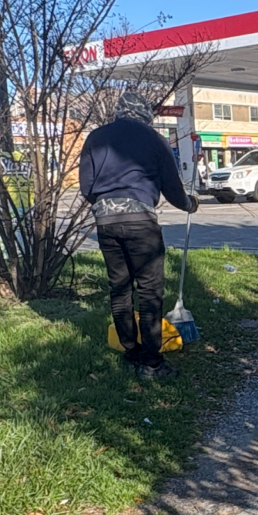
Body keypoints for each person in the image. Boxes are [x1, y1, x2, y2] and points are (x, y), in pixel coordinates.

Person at [79, 91, 199, 381]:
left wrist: (106, 204)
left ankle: (130, 353)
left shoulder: (96, 137)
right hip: (141, 221)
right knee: (149, 292)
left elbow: (86, 186)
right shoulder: (153, 139)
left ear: (119, 112)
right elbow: (172, 186)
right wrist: (189, 204)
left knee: (120, 289)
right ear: (145, 115)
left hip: (106, 221)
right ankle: (152, 364)